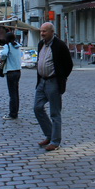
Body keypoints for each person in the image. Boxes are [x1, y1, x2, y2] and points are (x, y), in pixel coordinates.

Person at [34, 22, 73, 151]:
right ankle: (49, 134)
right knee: (37, 108)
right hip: (42, 82)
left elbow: (69, 64)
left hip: (53, 82)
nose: (42, 33)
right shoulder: (41, 44)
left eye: (44, 31)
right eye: (41, 31)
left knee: (55, 113)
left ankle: (55, 141)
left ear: (52, 32)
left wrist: (61, 77)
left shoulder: (60, 45)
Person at [0, 31, 22, 120]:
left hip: (11, 71)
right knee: (16, 93)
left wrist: (2, 58)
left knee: (12, 94)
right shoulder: (17, 46)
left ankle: (12, 114)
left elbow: (4, 54)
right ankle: (16, 111)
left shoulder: (7, 46)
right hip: (18, 71)